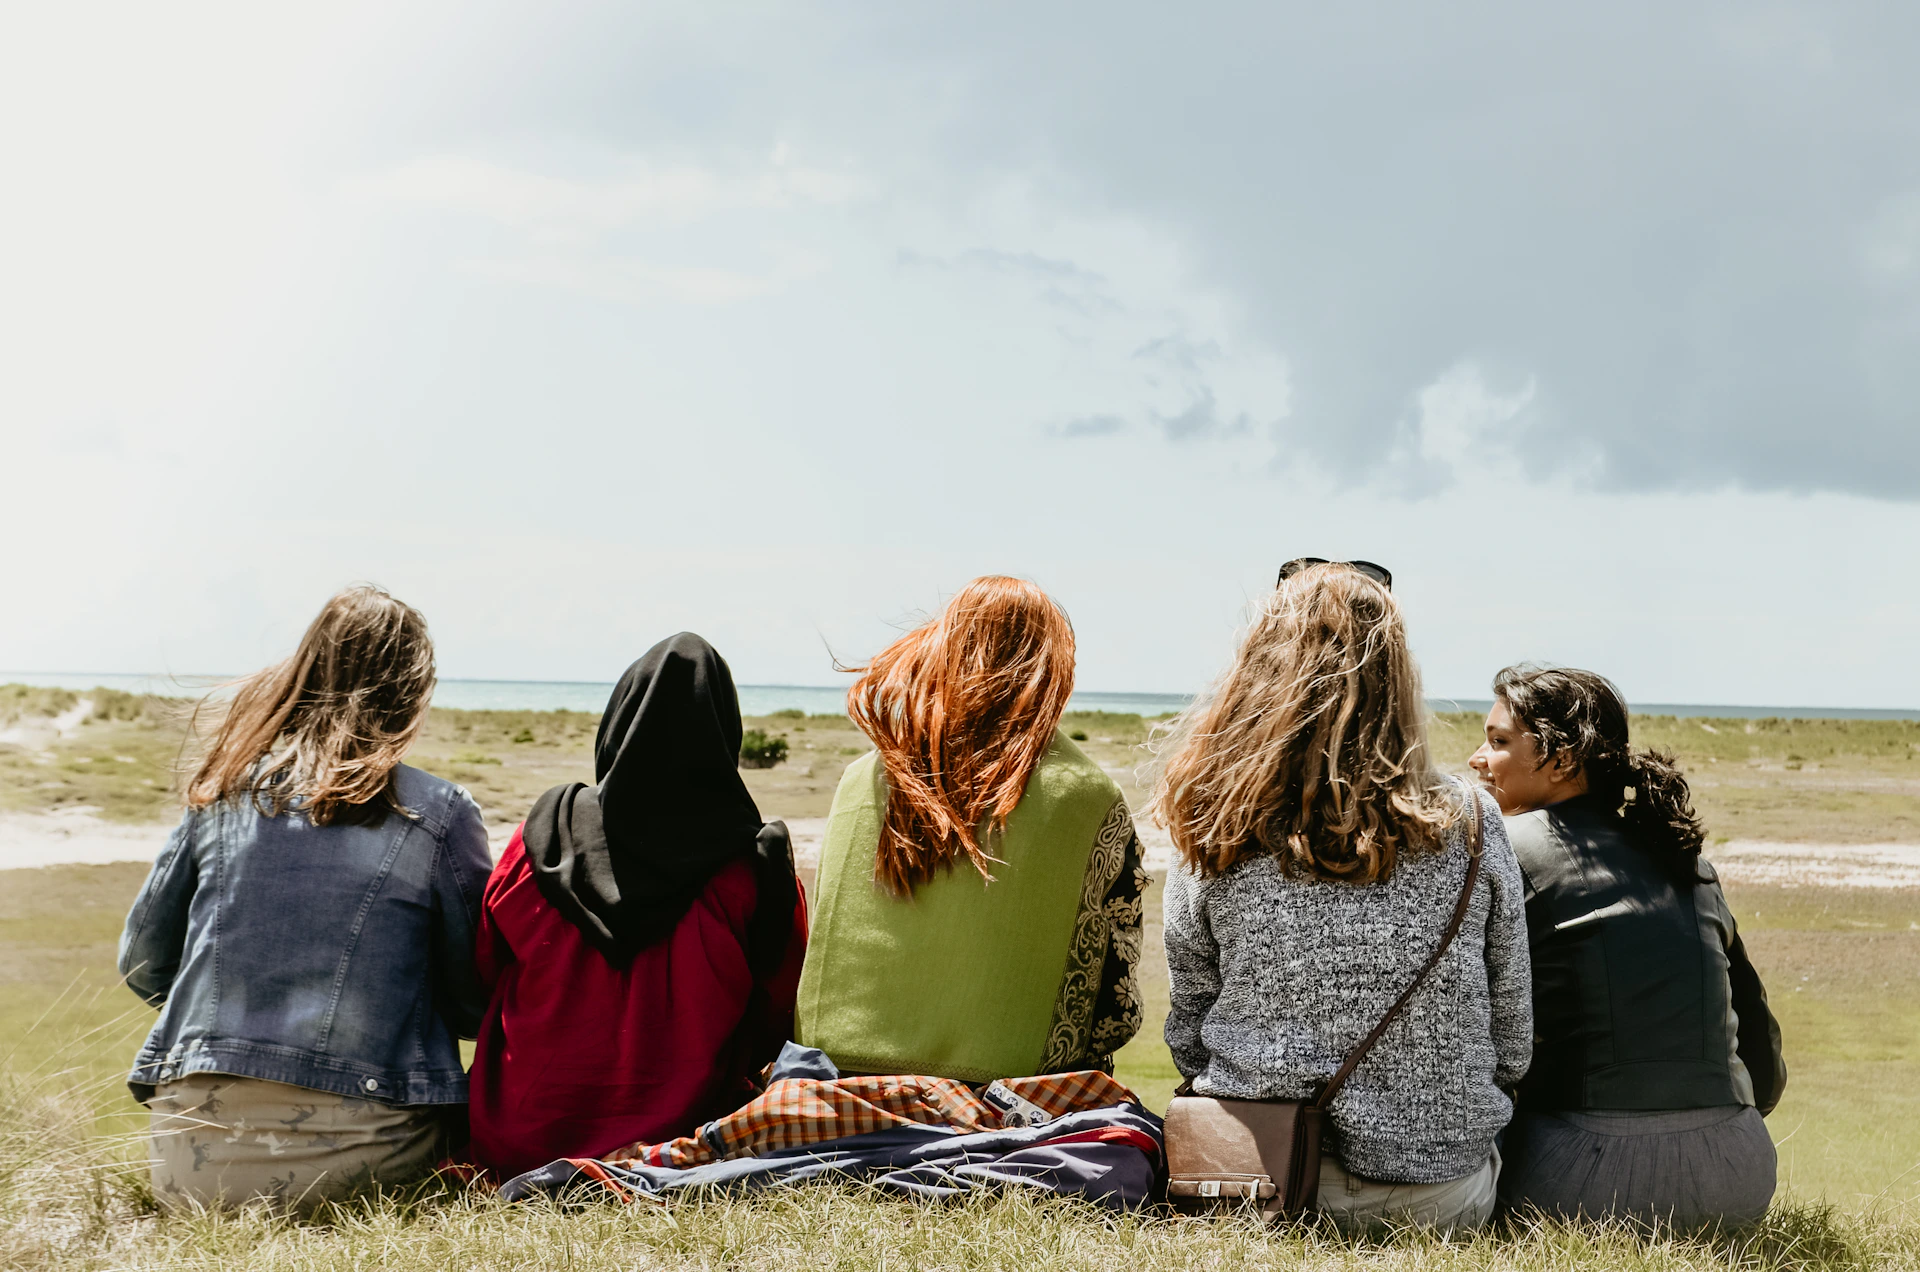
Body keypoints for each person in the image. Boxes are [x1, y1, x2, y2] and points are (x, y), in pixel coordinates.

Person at [1154, 562, 1531, 1233]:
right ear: (1399, 677)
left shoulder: (1214, 817)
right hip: (1434, 1192)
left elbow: (1190, 1028)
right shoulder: (1472, 819)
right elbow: (1512, 1039)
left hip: (1250, 1174)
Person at [118, 586, 490, 1214]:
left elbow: (144, 964)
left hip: (189, 1167)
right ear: (411, 695)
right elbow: (478, 998)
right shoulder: (438, 813)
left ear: (304, 673)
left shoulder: (223, 794)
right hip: (361, 1163)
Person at [466, 633, 808, 1180]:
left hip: (515, 1140)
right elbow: (782, 1015)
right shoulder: (754, 865)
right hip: (679, 1140)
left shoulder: (542, 838)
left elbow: (484, 973)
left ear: (616, 724)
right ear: (725, 734)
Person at [1472, 665, 1785, 1229]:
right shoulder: (1686, 860)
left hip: (1580, 1184)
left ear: (1561, 759)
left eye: (1497, 742)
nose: (1477, 759)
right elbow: (1762, 1054)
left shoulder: (1499, 845)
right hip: (1740, 1174)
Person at [795, 576, 1144, 1082]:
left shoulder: (860, 780)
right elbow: (1116, 1012)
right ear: (1053, 670)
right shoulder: (1088, 795)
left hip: (834, 1076)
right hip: (1010, 1087)